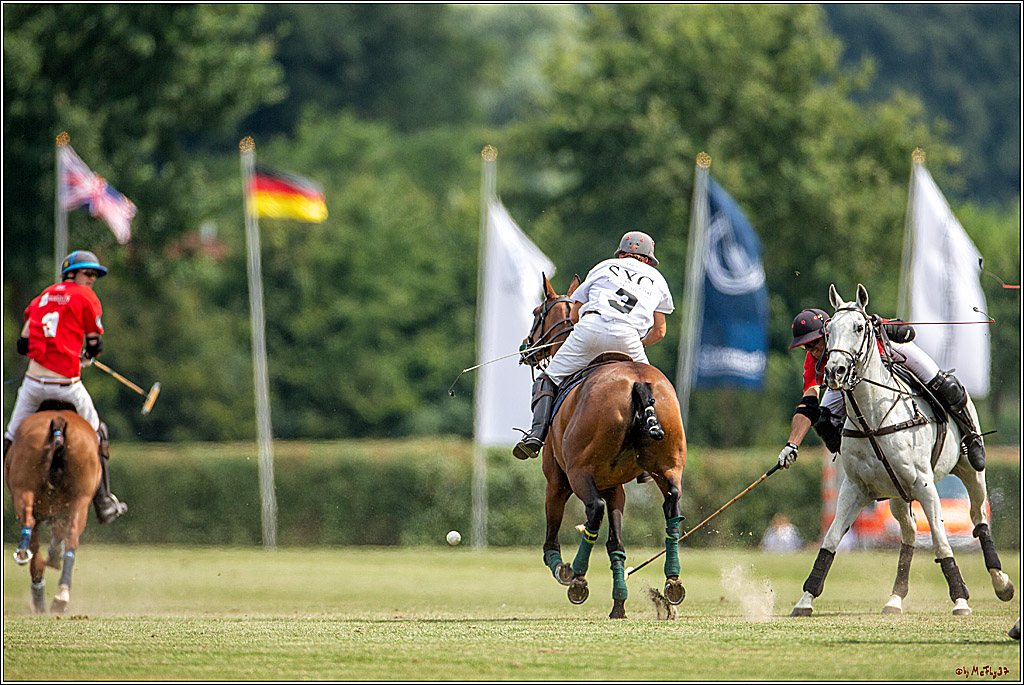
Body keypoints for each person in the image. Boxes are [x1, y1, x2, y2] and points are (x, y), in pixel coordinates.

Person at [512, 231, 675, 461]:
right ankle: (649, 446)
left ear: (621, 254)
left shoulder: (604, 266)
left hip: (591, 328)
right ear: (648, 258)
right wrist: (640, 342)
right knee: (648, 389)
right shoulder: (657, 279)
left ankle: (536, 437)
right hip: (629, 337)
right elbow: (659, 331)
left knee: (547, 378)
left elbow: (575, 314)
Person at [777, 307, 986, 473]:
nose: (812, 349)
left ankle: (972, 436)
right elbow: (808, 405)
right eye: (807, 345)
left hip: (888, 354)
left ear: (828, 331)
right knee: (823, 422)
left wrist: (880, 325)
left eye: (815, 342)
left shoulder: (854, 328)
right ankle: (864, 464)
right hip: (847, 377)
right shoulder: (812, 360)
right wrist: (792, 445)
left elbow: (908, 332)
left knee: (946, 385)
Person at [3, 250, 128, 523]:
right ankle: (104, 502)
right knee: (97, 431)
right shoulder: (85, 297)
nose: (93, 278)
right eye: (89, 273)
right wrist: (87, 356)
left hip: (33, 385)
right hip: (66, 385)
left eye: (95, 274)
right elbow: (96, 344)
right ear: (71, 273)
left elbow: (22, 345)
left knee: (11, 436)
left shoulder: (42, 297)